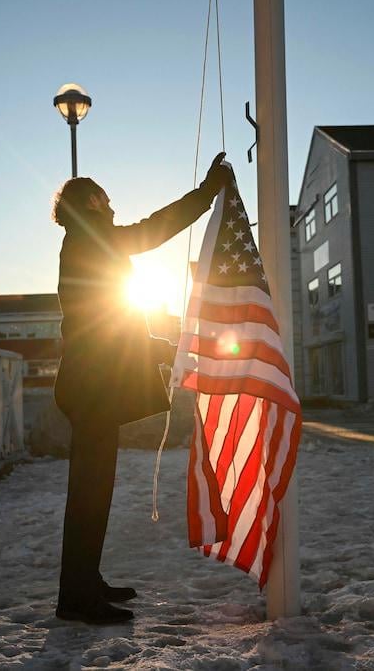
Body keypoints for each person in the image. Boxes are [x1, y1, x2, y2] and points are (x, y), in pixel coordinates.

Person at [52, 153, 232, 625]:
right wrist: (208, 190)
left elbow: (104, 322)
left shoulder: (86, 242)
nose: (111, 204)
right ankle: (75, 598)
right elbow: (155, 228)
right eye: (104, 197)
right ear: (89, 201)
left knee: (95, 493)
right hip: (91, 392)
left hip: (93, 389)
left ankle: (85, 582)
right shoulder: (92, 238)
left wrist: (156, 345)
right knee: (89, 496)